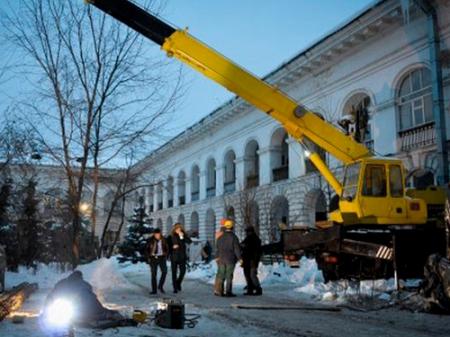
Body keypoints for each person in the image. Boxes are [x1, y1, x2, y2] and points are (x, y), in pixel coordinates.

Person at [45, 271, 122, 324]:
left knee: (96, 309)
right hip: (73, 309)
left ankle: (109, 314)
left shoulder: (64, 283)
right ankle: (108, 314)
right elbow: (52, 295)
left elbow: (51, 295)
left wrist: (47, 308)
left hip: (77, 309)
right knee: (97, 311)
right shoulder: (80, 284)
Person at [214, 219, 242, 297]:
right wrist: (240, 258)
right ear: (232, 227)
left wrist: (217, 257)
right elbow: (236, 249)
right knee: (229, 275)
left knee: (221, 275)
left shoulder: (220, 237)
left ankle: (221, 291)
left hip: (221, 259)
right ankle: (228, 292)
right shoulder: (234, 237)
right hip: (230, 259)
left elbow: (217, 248)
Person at [168, 223, 191, 293]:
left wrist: (183, 236)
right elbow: (167, 246)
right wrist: (172, 247)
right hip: (174, 256)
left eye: (180, 228)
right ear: (174, 229)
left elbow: (189, 242)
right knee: (174, 273)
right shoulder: (170, 236)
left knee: (183, 271)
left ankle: (178, 283)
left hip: (182, 256)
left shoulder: (183, 235)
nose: (178, 230)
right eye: (177, 228)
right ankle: (175, 287)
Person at [241, 226, 263, 295]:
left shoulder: (255, 239)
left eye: (248, 231)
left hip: (251, 261)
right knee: (248, 275)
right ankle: (250, 289)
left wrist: (254, 260)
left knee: (252, 275)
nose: (247, 233)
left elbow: (256, 251)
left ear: (251, 231)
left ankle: (258, 289)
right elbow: (242, 245)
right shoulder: (248, 238)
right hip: (247, 260)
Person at [147, 228, 168, 294]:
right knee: (153, 274)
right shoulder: (150, 240)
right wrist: (149, 256)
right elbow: (146, 249)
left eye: (158, 234)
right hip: (153, 258)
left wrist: (166, 254)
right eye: (156, 234)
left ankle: (160, 286)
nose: (157, 236)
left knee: (164, 272)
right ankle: (154, 290)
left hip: (162, 257)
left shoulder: (164, 239)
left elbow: (167, 247)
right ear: (154, 234)